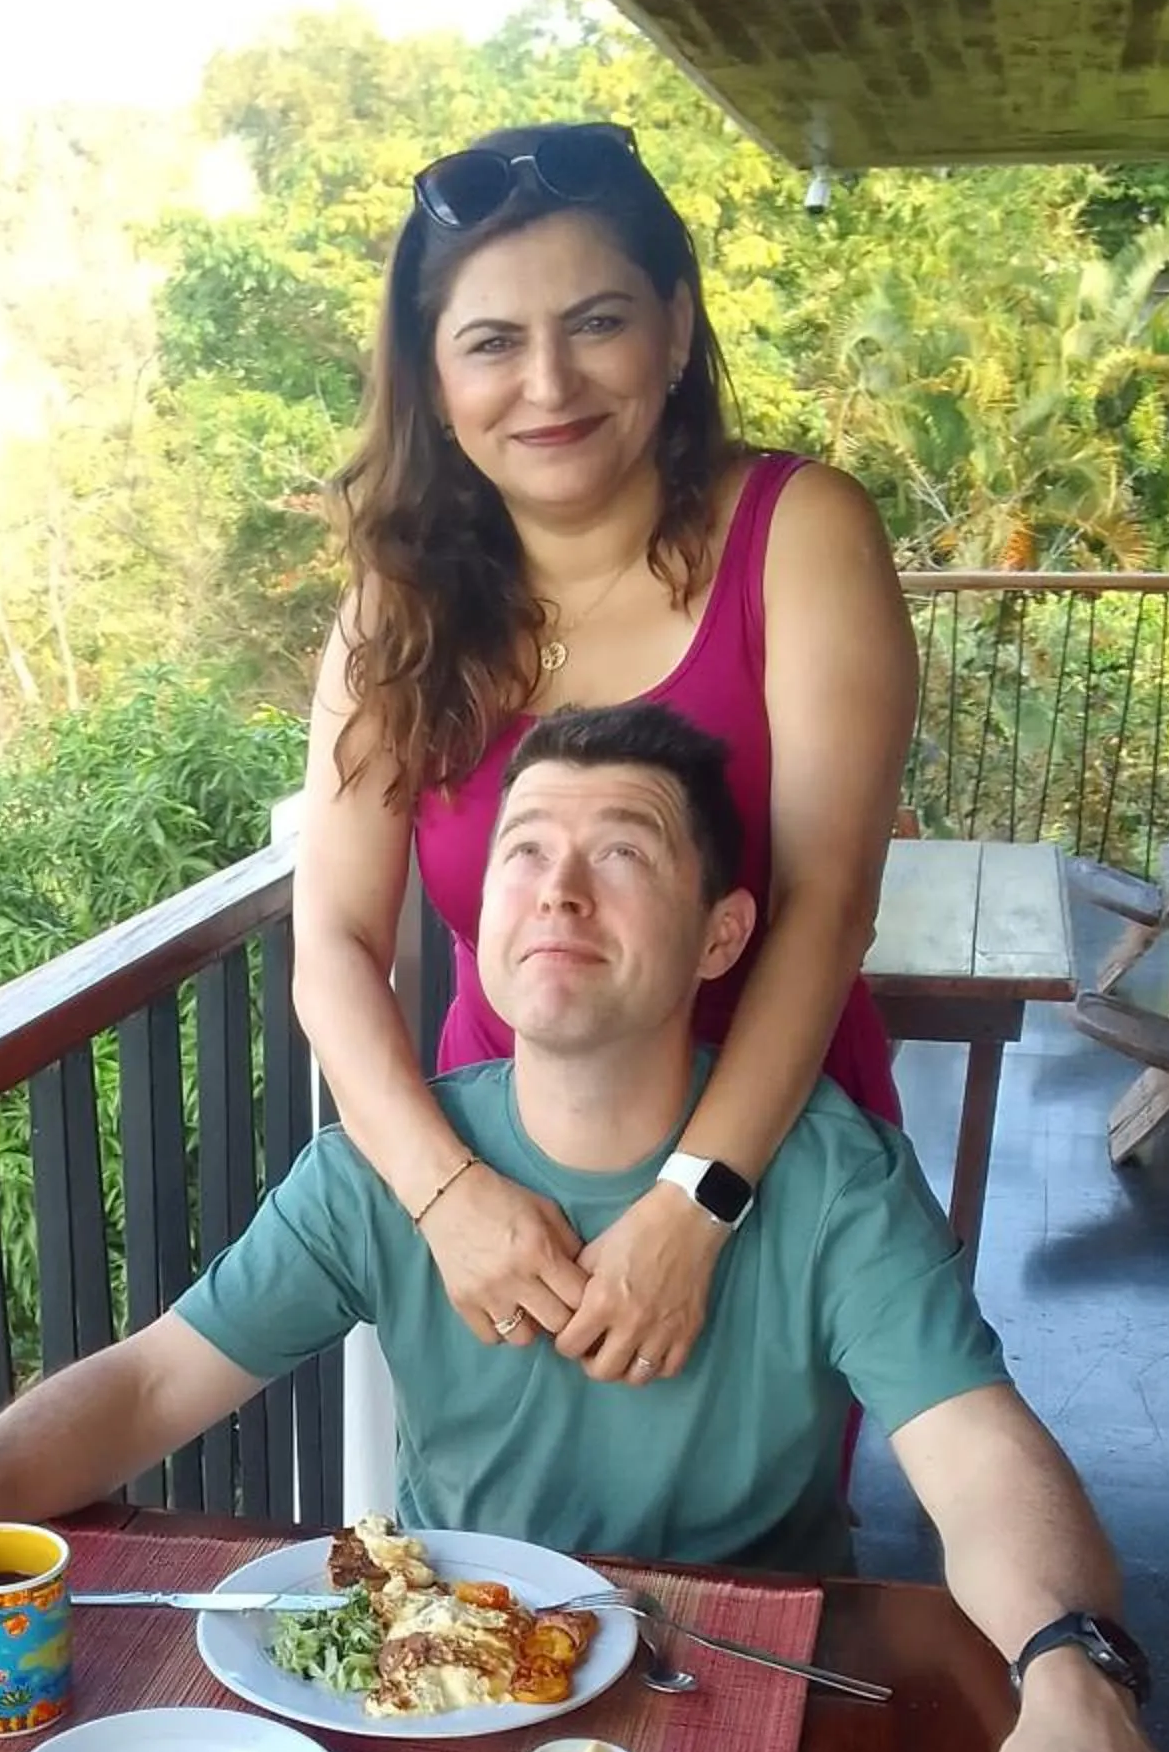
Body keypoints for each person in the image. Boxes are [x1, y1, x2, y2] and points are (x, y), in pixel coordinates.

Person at [0, 703, 1169, 1752]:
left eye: (620, 853)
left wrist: (1067, 1664)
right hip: (439, 1709)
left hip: (736, 1694)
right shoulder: (391, 1173)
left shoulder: (830, 1179)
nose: (558, 890)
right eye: (522, 853)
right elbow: (143, 1389)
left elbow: (978, 1456)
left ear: (724, 936)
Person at [291, 118, 921, 1389]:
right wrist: (445, 1191)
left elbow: (827, 903)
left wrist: (700, 1203)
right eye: (491, 343)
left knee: (750, 1555)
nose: (549, 384)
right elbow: (334, 945)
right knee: (493, 1570)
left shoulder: (800, 533)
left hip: (773, 1158)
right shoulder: (396, 606)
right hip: (504, 1186)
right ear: (434, 380)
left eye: (596, 323)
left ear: (675, 332)